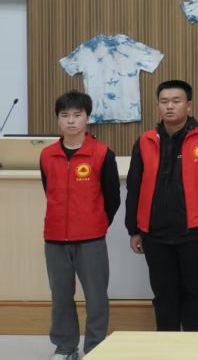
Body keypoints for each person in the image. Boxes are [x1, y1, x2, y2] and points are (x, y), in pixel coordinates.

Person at [125, 80, 198, 331]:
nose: (169, 106)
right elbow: (134, 188)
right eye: (164, 102)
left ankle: (195, 344)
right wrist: (134, 230)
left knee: (195, 290)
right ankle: (166, 343)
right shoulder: (145, 141)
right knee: (163, 293)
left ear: (189, 106)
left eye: (176, 101)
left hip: (194, 232)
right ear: (158, 107)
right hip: (154, 233)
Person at [41, 91, 120, 359]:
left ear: (88, 118)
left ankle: (95, 348)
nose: (71, 121)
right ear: (58, 119)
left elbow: (112, 198)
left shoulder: (102, 153)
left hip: (91, 239)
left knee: (96, 297)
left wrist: (96, 223)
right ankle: (65, 347)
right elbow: (49, 191)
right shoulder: (47, 155)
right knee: (61, 297)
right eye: (65, 115)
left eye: (77, 115)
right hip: (55, 239)